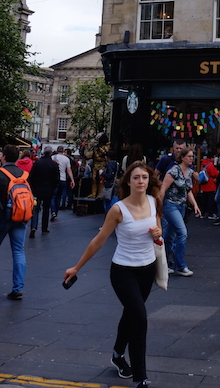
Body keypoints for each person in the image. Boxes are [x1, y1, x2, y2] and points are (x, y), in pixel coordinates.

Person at [64, 161, 162, 388]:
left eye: (144, 177)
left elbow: (158, 233)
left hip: (147, 269)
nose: (141, 181)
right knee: (139, 318)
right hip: (123, 272)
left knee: (131, 314)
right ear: (128, 182)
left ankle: (117, 355)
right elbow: (99, 241)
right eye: (136, 177)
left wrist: (158, 234)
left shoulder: (154, 201)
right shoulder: (118, 209)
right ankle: (141, 378)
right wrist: (77, 267)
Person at [0, 145, 30, 300]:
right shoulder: (24, 174)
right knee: (19, 251)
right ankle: (18, 288)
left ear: (4, 157)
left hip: (1, 218)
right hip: (20, 217)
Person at [160, 147, 201, 275]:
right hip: (170, 205)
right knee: (182, 233)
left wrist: (195, 205)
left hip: (181, 206)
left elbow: (187, 190)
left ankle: (164, 263)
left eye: (192, 156)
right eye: (189, 156)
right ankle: (180, 265)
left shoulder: (189, 172)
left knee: (170, 236)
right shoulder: (173, 171)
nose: (191, 158)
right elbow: (163, 188)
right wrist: (158, 207)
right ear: (182, 157)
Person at [28, 147, 59, 238]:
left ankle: (33, 226)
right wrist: (53, 187)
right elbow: (56, 179)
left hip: (37, 190)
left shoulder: (37, 163)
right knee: (46, 209)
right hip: (48, 190)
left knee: (36, 209)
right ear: (50, 153)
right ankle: (44, 228)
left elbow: (31, 177)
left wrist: (33, 188)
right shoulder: (54, 164)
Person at [51, 146, 75, 219]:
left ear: (57, 150)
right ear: (63, 151)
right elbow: (69, 170)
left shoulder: (53, 157)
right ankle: (56, 212)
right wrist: (72, 180)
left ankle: (53, 211)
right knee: (59, 196)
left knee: (52, 196)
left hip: (54, 179)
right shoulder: (66, 159)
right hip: (63, 179)